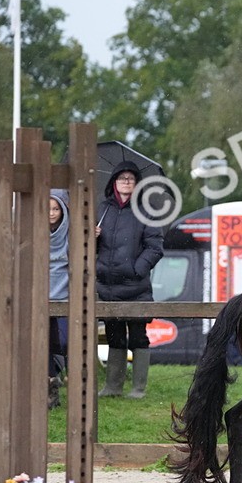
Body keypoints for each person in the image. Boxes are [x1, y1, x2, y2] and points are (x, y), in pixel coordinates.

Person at [96, 163, 163, 398]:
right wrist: (91, 236)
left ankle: (138, 388)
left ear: (137, 183)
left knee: (138, 336)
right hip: (107, 286)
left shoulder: (146, 211)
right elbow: (88, 247)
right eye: (122, 178)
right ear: (114, 182)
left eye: (131, 178)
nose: (126, 182)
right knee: (114, 336)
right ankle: (113, 387)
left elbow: (155, 248)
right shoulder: (102, 210)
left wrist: (136, 270)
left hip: (136, 287)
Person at [48, 189, 69, 409]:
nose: (52, 213)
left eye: (56, 208)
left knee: (64, 342)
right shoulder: (33, 232)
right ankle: (51, 387)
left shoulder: (71, 234)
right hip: (41, 296)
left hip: (65, 296)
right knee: (44, 342)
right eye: (48, 208)